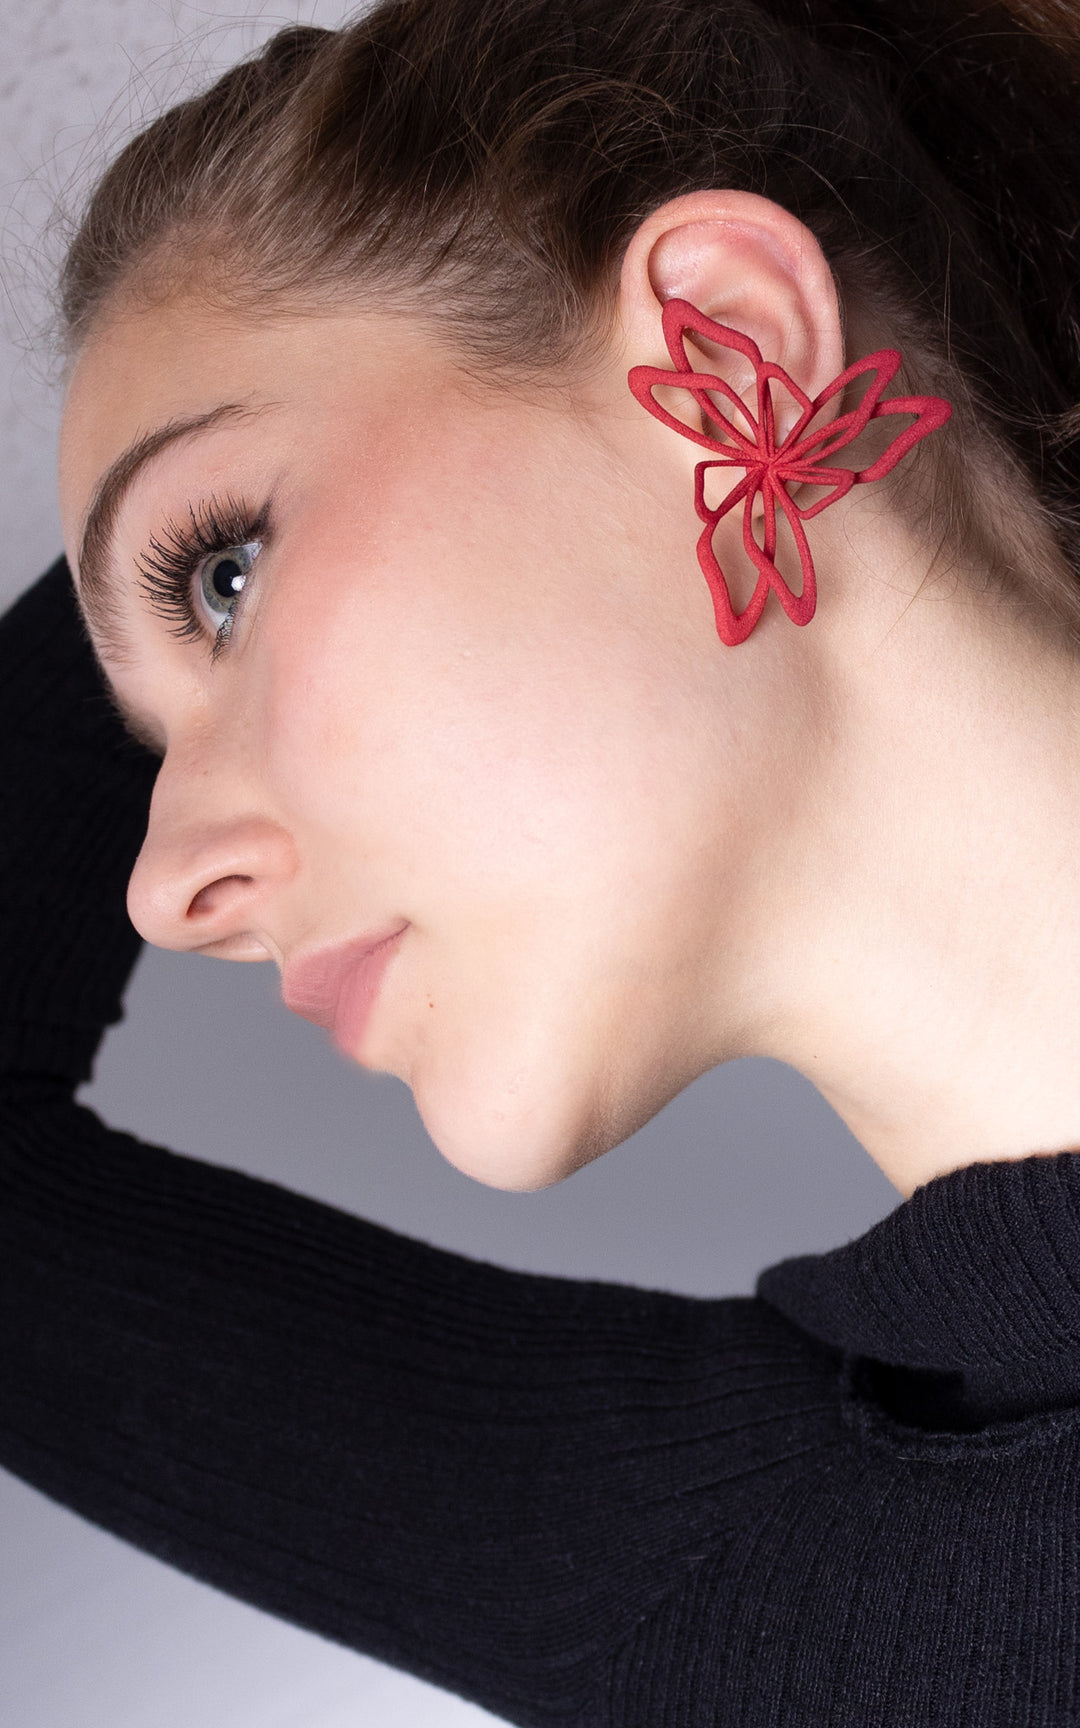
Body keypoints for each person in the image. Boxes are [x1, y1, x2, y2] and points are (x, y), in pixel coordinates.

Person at [3, 0, 1080, 1719]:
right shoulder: (741, 1592)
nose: (160, 889)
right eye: (147, 735)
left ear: (729, 348)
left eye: (224, 574)